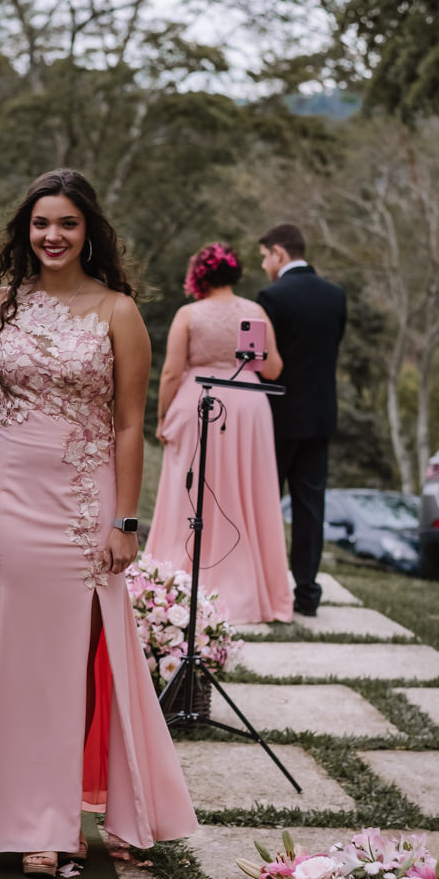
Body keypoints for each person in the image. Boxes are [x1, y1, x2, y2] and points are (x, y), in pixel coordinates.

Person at [0, 169, 198, 877]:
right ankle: (33, 821)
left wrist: (126, 520)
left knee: (69, 660)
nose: (52, 235)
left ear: (89, 233)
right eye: (41, 223)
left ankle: (67, 808)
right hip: (6, 496)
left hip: (83, 504)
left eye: (67, 224)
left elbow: (132, 426)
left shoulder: (118, 312)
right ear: (26, 229)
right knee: (14, 656)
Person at [147, 243, 291, 624]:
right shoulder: (255, 311)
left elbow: (171, 373)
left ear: (199, 275)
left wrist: (162, 416)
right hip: (248, 406)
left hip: (201, 403)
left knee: (189, 491)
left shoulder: (189, 314)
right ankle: (249, 589)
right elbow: (273, 369)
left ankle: (178, 582)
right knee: (247, 492)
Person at [256, 223, 346, 617]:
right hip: (320, 414)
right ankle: (307, 593)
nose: (263, 265)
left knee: (266, 502)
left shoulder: (271, 297)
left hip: (277, 415)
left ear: (279, 252)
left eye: (264, 257)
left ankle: (267, 586)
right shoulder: (335, 296)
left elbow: (263, 362)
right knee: (311, 506)